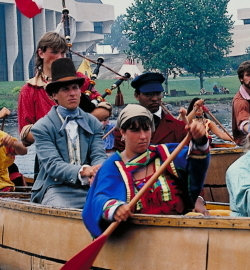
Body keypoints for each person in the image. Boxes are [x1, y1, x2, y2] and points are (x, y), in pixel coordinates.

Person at [83, 105, 210, 237]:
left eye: (146, 129)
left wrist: (199, 139)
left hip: (178, 234)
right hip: (135, 240)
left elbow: (196, 167)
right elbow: (99, 199)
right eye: (135, 130)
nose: (143, 136)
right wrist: (115, 208)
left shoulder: (167, 154)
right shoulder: (112, 166)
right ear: (123, 132)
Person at [29, 58, 107, 208]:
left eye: (75, 88)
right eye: (65, 89)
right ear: (54, 96)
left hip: (90, 186)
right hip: (55, 188)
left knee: (115, 206)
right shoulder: (42, 127)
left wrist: (97, 170)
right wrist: (84, 171)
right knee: (62, 210)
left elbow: (99, 155)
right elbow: (53, 165)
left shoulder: (93, 123)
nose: (72, 93)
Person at [111, 72, 187, 152]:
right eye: (148, 94)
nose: (154, 98)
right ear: (137, 96)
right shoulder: (125, 127)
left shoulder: (179, 127)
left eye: (157, 93)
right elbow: (121, 157)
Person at [18, 32, 69, 138]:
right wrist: (52, 132)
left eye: (63, 53)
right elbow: (25, 134)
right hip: (47, 151)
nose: (59, 57)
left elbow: (104, 109)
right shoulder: (29, 90)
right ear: (41, 53)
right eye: (54, 52)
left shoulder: (78, 81)